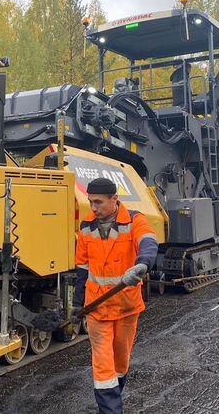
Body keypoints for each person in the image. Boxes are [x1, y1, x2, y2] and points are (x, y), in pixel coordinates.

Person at [73, 177, 159, 414]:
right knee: (103, 367)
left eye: (98, 202)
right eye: (91, 202)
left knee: (120, 364)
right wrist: (77, 304)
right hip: (97, 310)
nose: (93, 208)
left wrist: (142, 264)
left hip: (126, 308)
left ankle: (112, 400)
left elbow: (149, 241)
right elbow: (82, 270)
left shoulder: (134, 220)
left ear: (115, 199)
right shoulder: (86, 227)